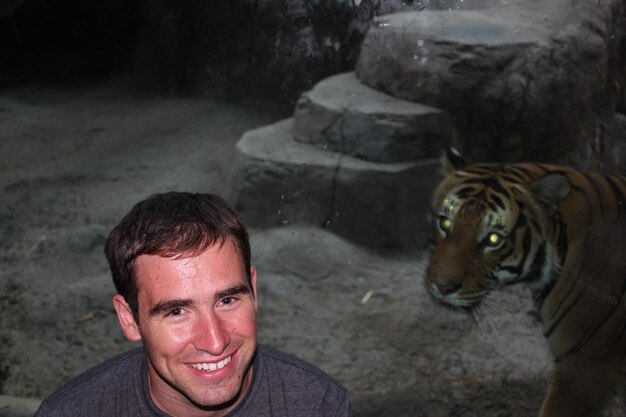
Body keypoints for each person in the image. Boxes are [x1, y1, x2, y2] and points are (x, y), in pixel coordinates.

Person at [34, 192, 351, 417]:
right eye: (176, 311)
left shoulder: (319, 405)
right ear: (129, 318)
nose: (215, 342)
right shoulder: (68, 412)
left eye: (227, 300)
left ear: (253, 290)